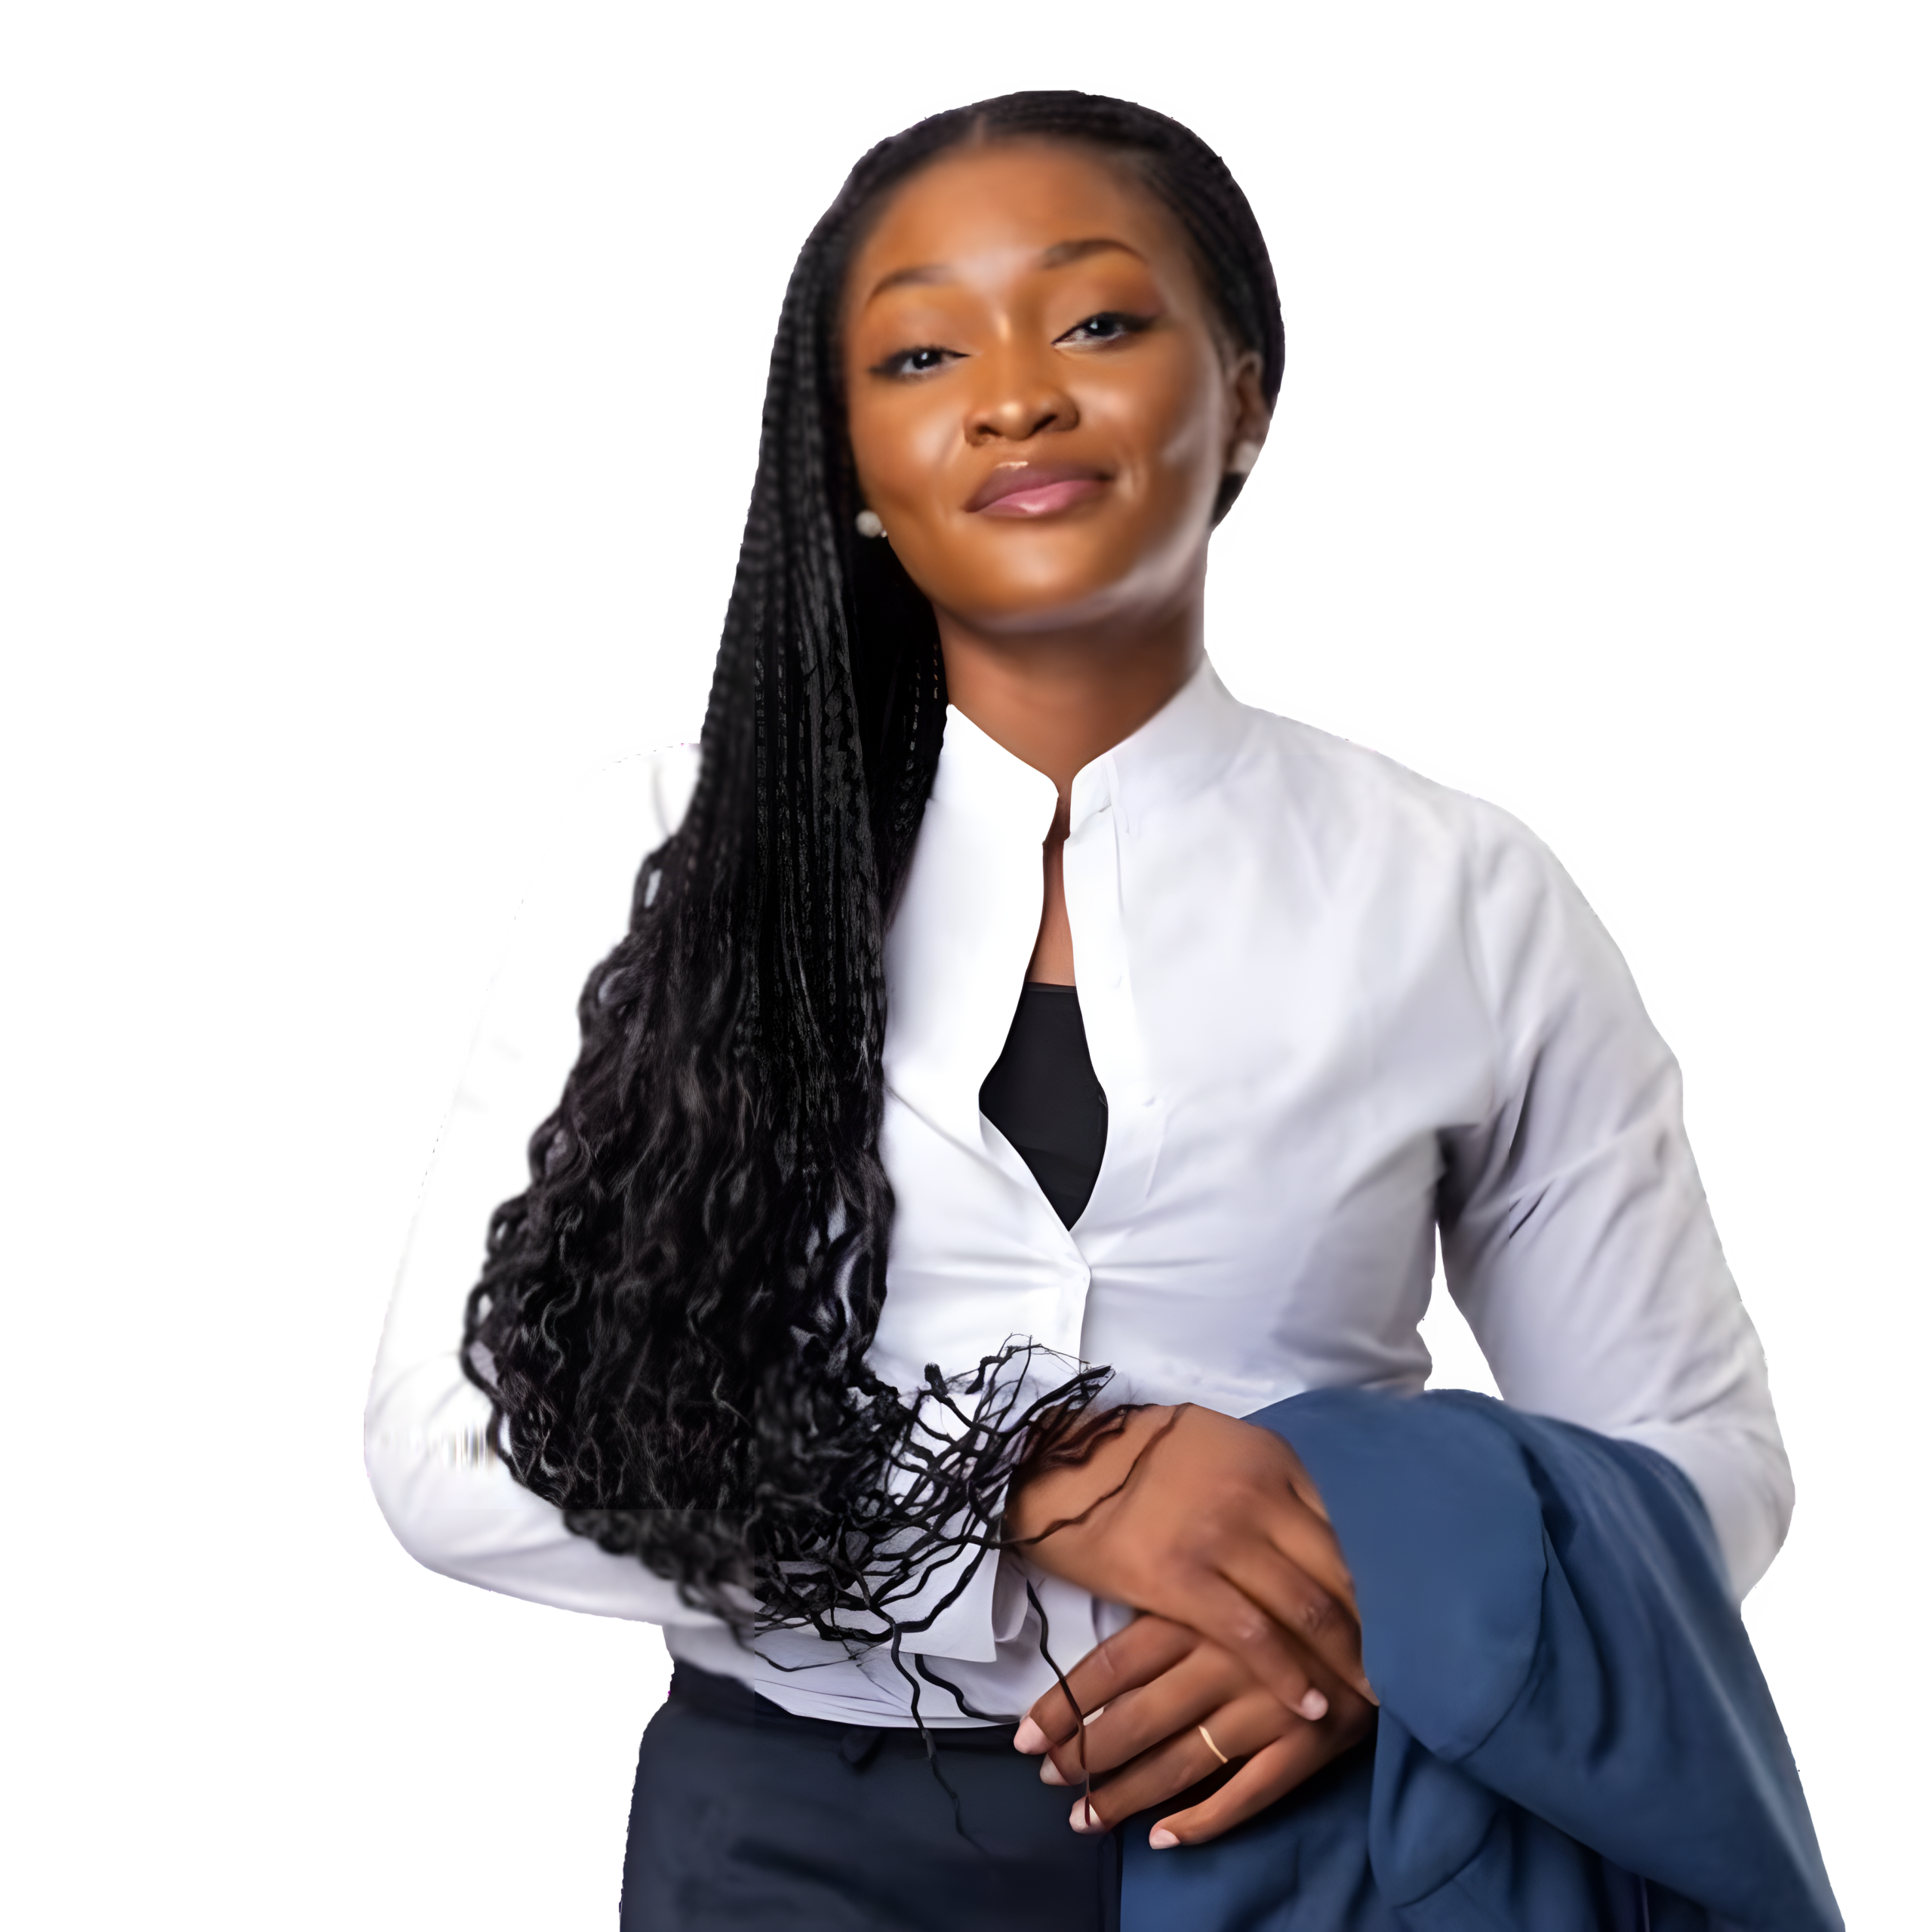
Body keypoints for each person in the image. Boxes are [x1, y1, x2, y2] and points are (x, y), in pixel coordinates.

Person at [364, 90, 1839, 1929]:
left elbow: (1698, 1465)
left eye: (1094, 322)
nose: (1013, 400)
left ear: (1245, 395)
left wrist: (1382, 1616)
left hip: (1330, 1832)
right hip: (792, 1847)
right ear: (848, 460)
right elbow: (452, 1448)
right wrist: (1020, 1482)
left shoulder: (1465, 888)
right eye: (921, 353)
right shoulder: (655, 842)